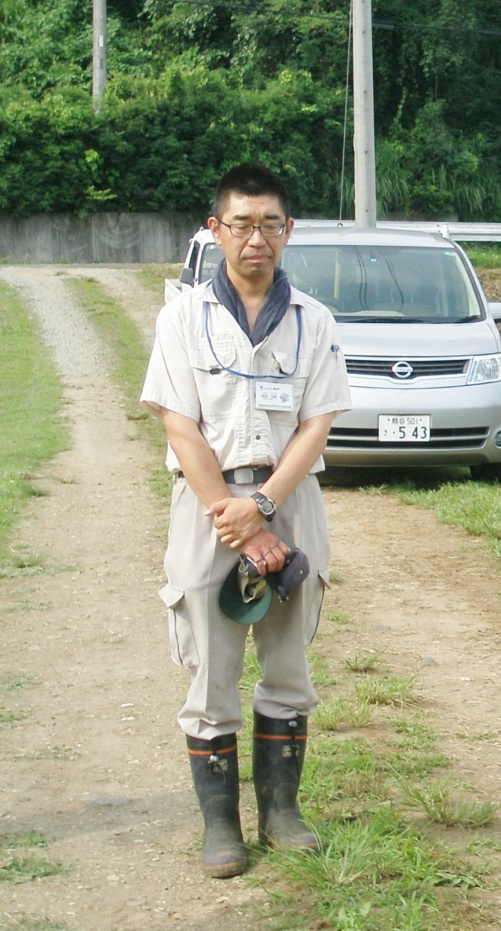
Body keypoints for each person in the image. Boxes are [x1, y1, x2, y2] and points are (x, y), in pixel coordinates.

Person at [140, 161, 352, 878]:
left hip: (288, 499)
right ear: (215, 230)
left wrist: (264, 510)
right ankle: (221, 824)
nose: (255, 238)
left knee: (288, 662)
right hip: (209, 505)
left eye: (269, 224)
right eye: (241, 224)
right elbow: (179, 424)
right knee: (211, 670)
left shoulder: (313, 321)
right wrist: (238, 518)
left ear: (287, 231)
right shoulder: (181, 317)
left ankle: (283, 812)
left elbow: (316, 425)